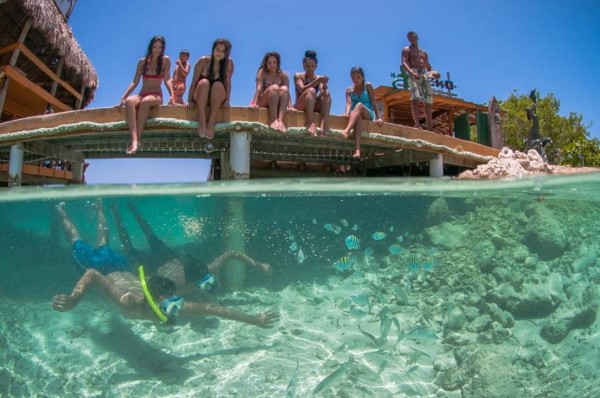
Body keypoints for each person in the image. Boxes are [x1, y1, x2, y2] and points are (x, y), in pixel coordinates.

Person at [52, 201, 279, 329]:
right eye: (170, 306)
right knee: (77, 240)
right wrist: (73, 301)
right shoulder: (130, 303)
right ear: (153, 301)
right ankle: (61, 210)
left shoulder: (172, 303)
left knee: (102, 242)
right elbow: (91, 273)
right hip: (104, 268)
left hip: (122, 266)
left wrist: (254, 320)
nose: (175, 312)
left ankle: (101, 210)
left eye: (174, 304)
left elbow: (215, 310)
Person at [120, 35, 174, 155]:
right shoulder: (142, 62)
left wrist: (172, 95)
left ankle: (136, 141)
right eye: (155, 47)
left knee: (145, 102)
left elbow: (168, 80)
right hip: (142, 93)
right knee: (129, 101)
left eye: (160, 47)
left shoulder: (166, 60)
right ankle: (134, 139)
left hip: (156, 95)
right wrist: (123, 96)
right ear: (150, 47)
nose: (157, 50)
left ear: (163, 48)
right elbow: (135, 82)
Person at [55, 200, 130, 276]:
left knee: (101, 243)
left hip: (116, 264)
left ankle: (99, 208)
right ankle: (98, 208)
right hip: (104, 266)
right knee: (76, 240)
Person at [188, 39, 234, 139]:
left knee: (217, 85)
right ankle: (202, 120)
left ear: (226, 54)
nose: (219, 53)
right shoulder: (203, 61)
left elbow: (228, 84)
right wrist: (189, 100)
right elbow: (194, 82)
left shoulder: (228, 64)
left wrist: (227, 100)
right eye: (217, 50)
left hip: (217, 98)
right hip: (200, 96)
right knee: (204, 83)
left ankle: (212, 122)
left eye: (222, 51)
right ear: (213, 49)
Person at [401, 31, 440, 131]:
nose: (411, 38)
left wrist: (434, 73)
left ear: (417, 37)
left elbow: (428, 67)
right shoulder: (406, 49)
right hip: (414, 72)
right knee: (415, 98)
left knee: (428, 100)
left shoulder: (424, 53)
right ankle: (417, 124)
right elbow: (404, 62)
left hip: (424, 74)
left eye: (413, 36)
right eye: (409, 37)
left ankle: (430, 127)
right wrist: (411, 72)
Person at [341, 67, 382, 159]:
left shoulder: (368, 86)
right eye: (353, 77)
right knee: (358, 117)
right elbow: (348, 103)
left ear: (363, 77)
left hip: (367, 113)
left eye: (358, 77)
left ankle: (347, 130)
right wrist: (346, 113)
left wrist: (378, 117)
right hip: (355, 115)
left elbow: (373, 102)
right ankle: (357, 149)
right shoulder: (349, 90)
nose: (355, 79)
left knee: (359, 105)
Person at [250, 51, 293, 133]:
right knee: (274, 87)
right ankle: (273, 120)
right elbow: (258, 88)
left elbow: (287, 92)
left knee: (284, 88)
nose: (272, 65)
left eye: (274, 62)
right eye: (269, 63)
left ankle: (280, 120)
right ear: (266, 64)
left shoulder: (283, 75)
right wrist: (254, 103)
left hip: (277, 103)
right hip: (263, 101)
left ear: (278, 63)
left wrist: (290, 106)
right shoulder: (262, 72)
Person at [293, 50, 332, 137]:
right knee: (312, 91)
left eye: (312, 66)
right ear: (303, 65)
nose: (310, 68)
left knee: (327, 92)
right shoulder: (298, 76)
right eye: (307, 66)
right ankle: (310, 122)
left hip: (313, 106)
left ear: (316, 66)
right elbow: (302, 90)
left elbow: (323, 92)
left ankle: (324, 123)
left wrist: (324, 83)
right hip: (301, 106)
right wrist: (317, 81)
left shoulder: (319, 78)